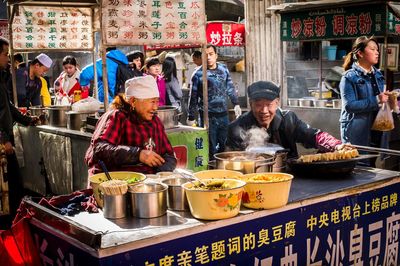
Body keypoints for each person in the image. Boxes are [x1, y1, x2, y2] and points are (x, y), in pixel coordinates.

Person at [84, 75, 177, 177]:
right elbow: (100, 148)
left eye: (157, 101)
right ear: (133, 101)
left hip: (149, 184)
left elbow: (169, 156)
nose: (155, 107)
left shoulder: (155, 121)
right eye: (152, 101)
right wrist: (138, 154)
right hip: (116, 183)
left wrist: (160, 174)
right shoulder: (116, 117)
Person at [226, 81, 347, 158]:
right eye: (258, 105)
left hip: (289, 176)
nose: (264, 111)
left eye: (269, 104)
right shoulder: (237, 128)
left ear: (277, 103)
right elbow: (232, 159)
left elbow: (313, 135)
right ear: (250, 104)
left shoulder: (288, 119)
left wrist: (336, 145)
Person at [0, 37, 39, 227]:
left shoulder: (2, 76)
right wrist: (3, 138)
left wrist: (27, 119)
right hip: (2, 142)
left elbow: (7, 106)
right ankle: (10, 227)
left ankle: (13, 223)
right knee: (11, 185)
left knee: (14, 185)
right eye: (5, 54)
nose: (8, 59)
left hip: (5, 139)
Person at [339, 36, 389, 161]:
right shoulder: (348, 77)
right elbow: (349, 106)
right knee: (358, 169)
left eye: (377, 49)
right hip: (357, 132)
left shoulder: (378, 75)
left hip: (376, 131)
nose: (377, 52)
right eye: (372, 49)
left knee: (372, 166)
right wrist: (377, 99)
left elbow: (380, 102)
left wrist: (389, 102)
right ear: (360, 53)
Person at [188, 44, 241, 157]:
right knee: (210, 147)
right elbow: (193, 96)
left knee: (224, 145)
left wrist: (236, 103)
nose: (208, 57)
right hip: (207, 117)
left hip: (223, 115)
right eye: (205, 55)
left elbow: (230, 87)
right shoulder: (197, 74)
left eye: (211, 54)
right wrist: (191, 117)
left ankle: (223, 169)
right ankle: (211, 170)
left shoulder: (223, 69)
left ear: (216, 55)